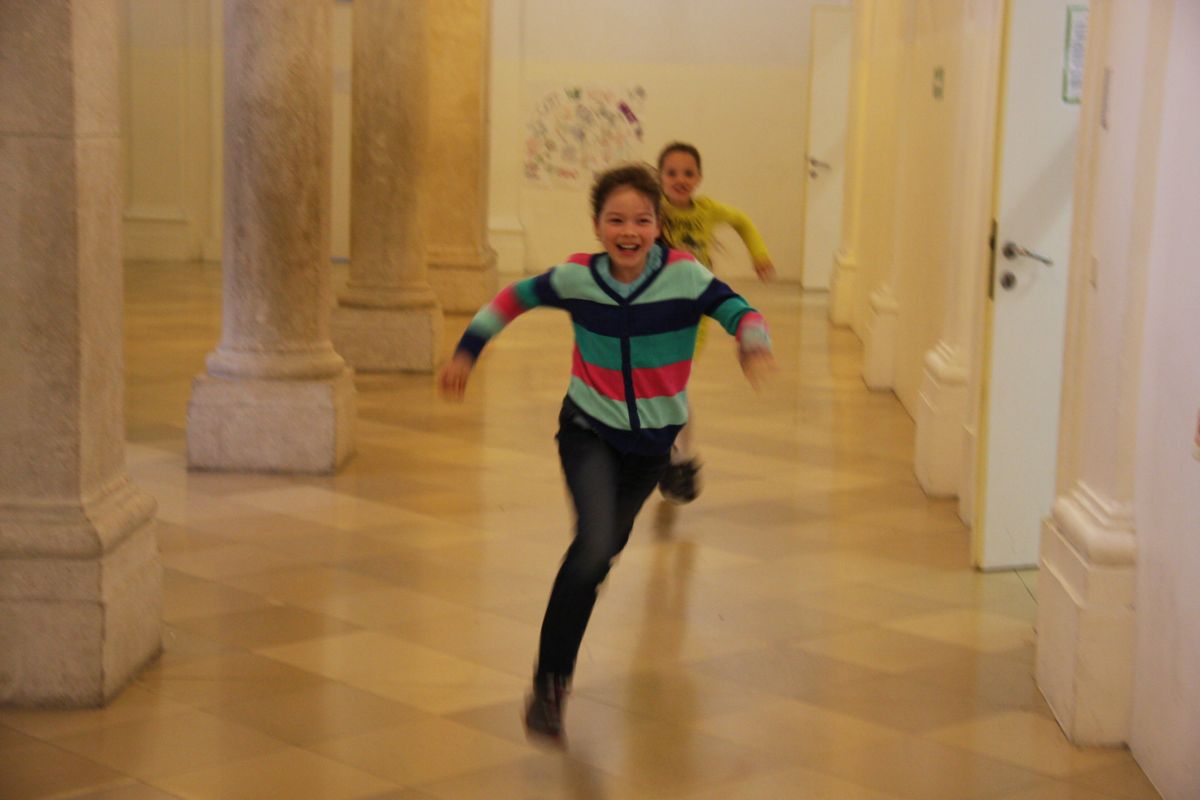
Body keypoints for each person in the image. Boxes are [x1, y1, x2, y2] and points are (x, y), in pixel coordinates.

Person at [438, 163, 774, 745]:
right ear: (597, 226)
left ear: (658, 225)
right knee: (593, 547)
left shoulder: (684, 275)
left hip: (651, 449)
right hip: (587, 431)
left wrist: (753, 343)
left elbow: (740, 310)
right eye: (616, 220)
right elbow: (513, 298)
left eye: (641, 220)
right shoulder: (577, 278)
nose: (629, 231)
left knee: (600, 555)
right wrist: (468, 351)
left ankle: (558, 660)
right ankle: (550, 686)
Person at [655, 141, 776, 504]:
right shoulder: (653, 209)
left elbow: (741, 221)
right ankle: (665, 451)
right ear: (660, 177)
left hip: (693, 314)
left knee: (676, 386)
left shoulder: (708, 211)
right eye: (672, 173)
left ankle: (682, 460)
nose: (680, 179)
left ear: (699, 177)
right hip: (656, 309)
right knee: (660, 387)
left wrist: (759, 254)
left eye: (688, 173)